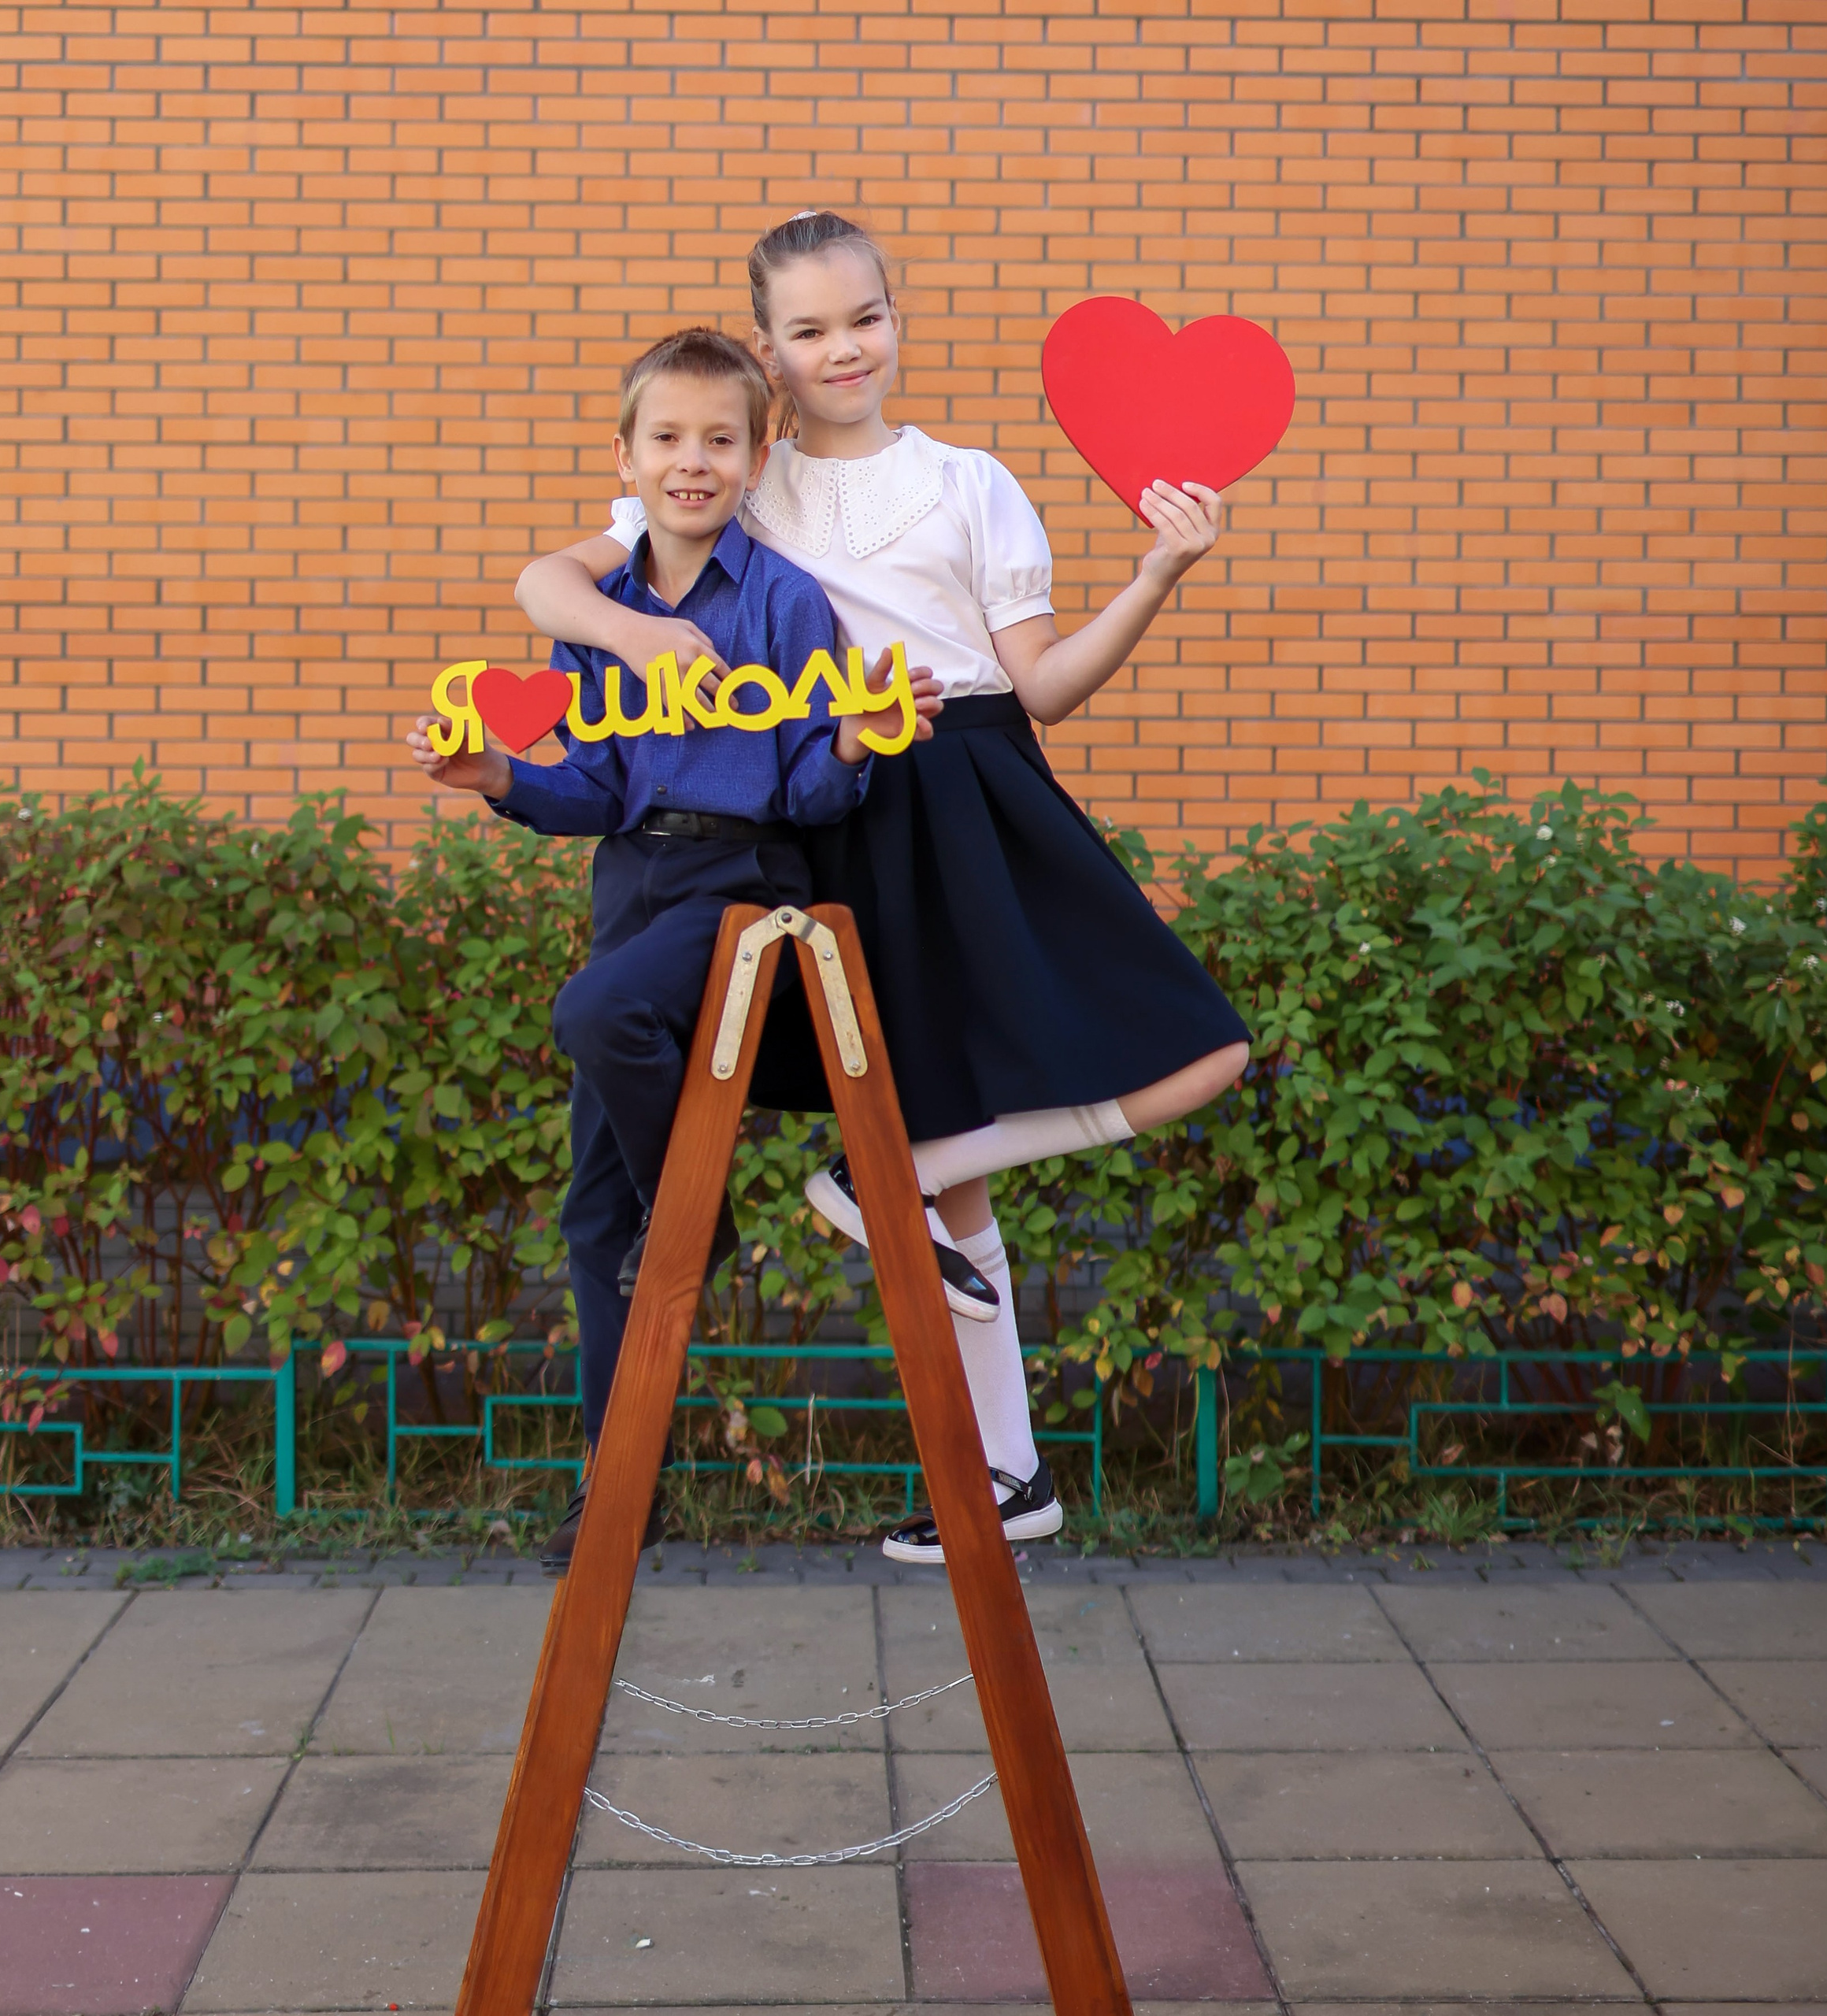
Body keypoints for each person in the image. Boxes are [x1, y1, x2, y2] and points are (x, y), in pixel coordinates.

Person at [515, 215, 1252, 1566]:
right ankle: (1010, 1475)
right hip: (828, 814)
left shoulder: (970, 483)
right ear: (769, 355)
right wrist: (637, 629)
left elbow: (1042, 689)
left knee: (1203, 1052)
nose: (842, 347)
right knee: (955, 1213)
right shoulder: (743, 478)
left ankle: (881, 1181)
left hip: (970, 800)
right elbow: (549, 581)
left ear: (896, 318)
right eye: (806, 331)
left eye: (864, 317)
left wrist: (1157, 573)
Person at [407, 324, 940, 1574]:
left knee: (596, 1018)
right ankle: (618, 1496)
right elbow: (591, 785)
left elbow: (811, 788)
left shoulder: (782, 600)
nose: (691, 462)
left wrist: (859, 742)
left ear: (758, 457)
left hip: (743, 889)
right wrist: (496, 776)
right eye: (667, 440)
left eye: (717, 440)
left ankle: (695, 1219)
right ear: (626, 459)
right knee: (597, 1222)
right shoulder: (599, 618)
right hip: (632, 883)